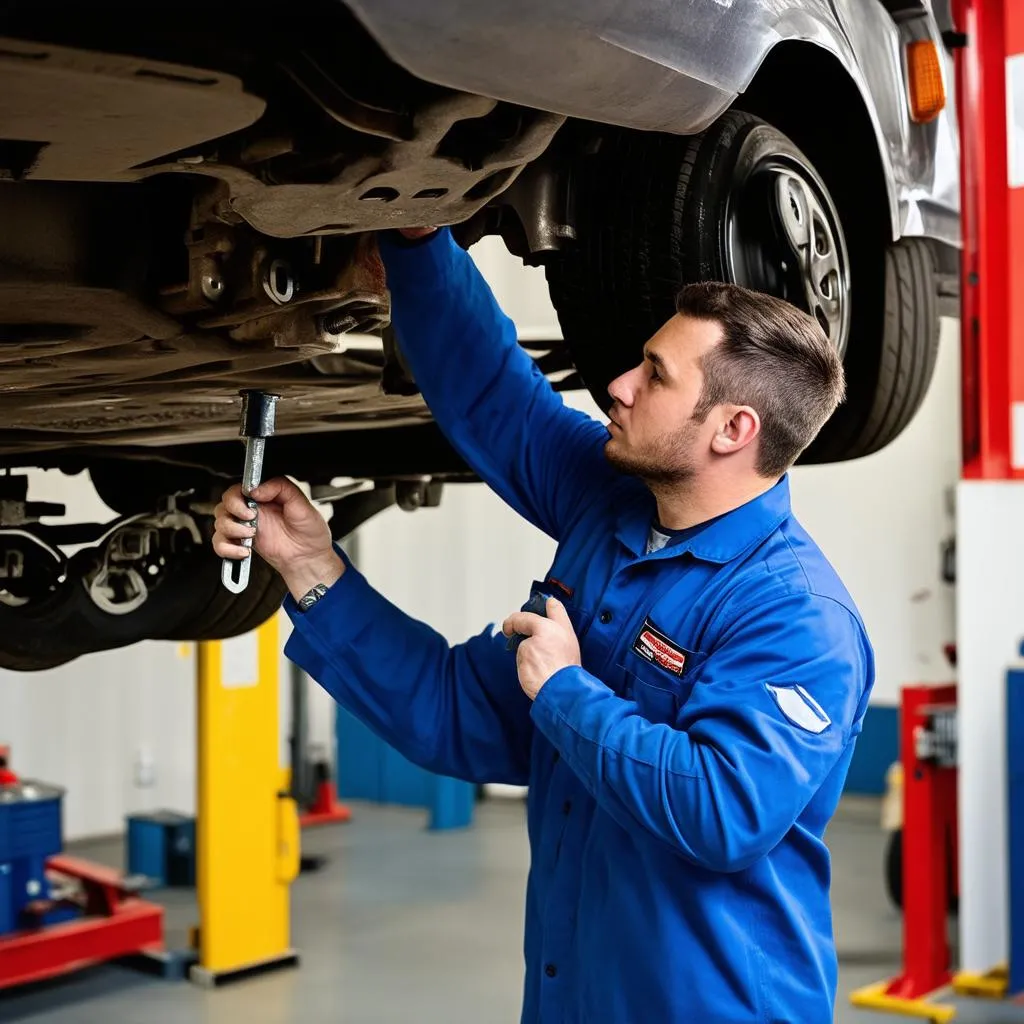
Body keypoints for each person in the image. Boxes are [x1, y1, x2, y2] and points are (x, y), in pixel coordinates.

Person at [214, 226, 874, 1023]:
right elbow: (497, 402)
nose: (618, 386)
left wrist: (566, 689)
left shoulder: (796, 616)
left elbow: (722, 813)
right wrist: (313, 570)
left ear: (732, 430)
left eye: (655, 376)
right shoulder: (613, 506)